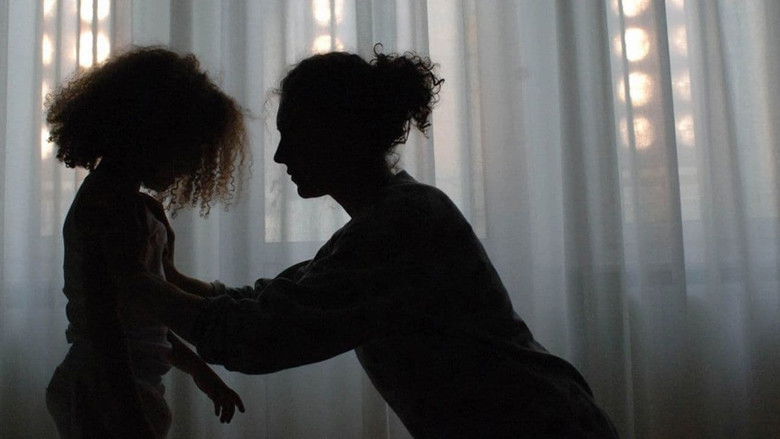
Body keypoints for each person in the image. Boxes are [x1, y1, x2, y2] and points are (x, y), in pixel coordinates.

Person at [120, 46, 620, 438]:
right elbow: (276, 300)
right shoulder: (392, 216)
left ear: (337, 133)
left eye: (293, 134)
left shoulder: (401, 225)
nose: (279, 156)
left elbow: (264, 335)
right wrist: (172, 280)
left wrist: (137, 284)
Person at [45, 47, 247, 438]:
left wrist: (199, 370)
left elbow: (143, 317)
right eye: (189, 148)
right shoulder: (109, 207)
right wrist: (129, 415)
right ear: (154, 134)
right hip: (103, 390)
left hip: (126, 385)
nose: (191, 166)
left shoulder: (141, 208)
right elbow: (105, 329)